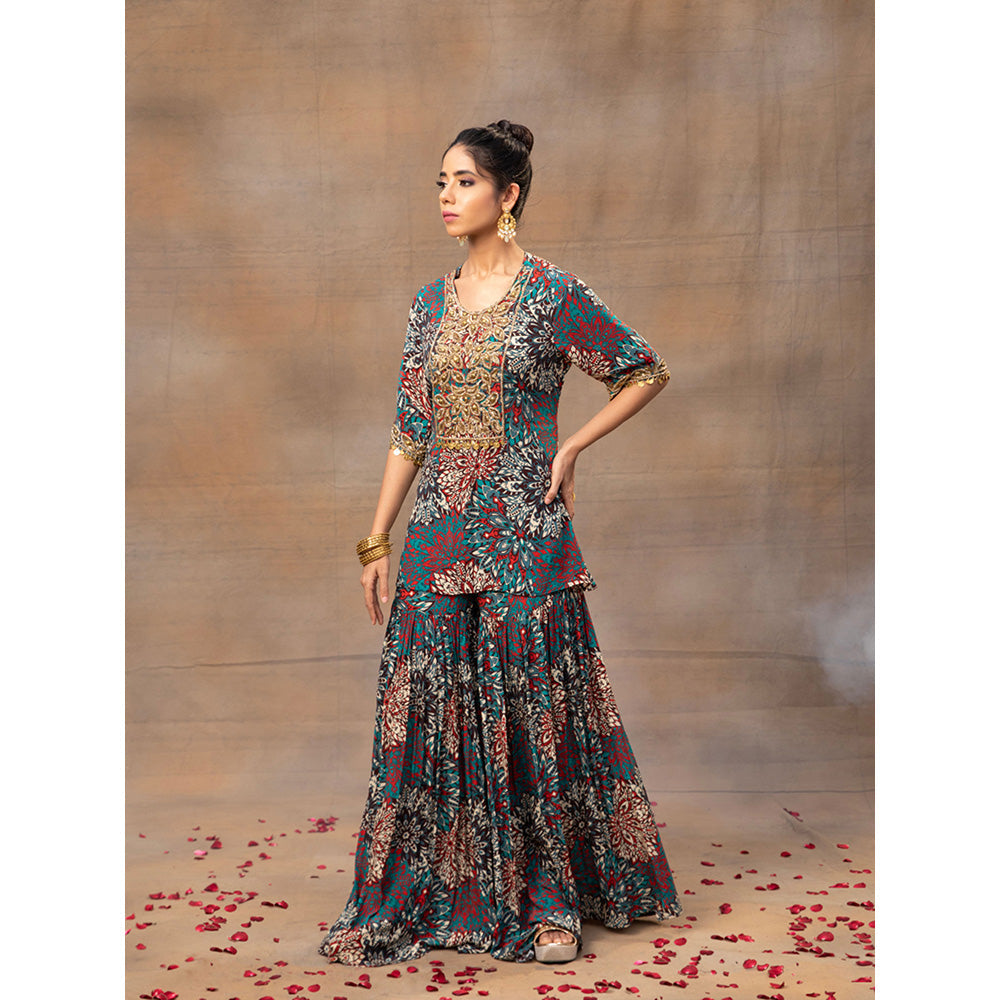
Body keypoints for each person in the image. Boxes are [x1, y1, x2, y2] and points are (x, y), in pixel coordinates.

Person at [320, 120, 681, 967]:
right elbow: (411, 429)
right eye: (441, 183)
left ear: (508, 194)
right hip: (439, 534)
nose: (448, 197)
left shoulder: (552, 294)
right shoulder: (428, 306)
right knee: (427, 710)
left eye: (465, 182)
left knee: (530, 709)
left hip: (525, 531)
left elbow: (643, 369)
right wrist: (375, 540)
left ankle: (551, 903)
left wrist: (572, 445)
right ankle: (436, 890)